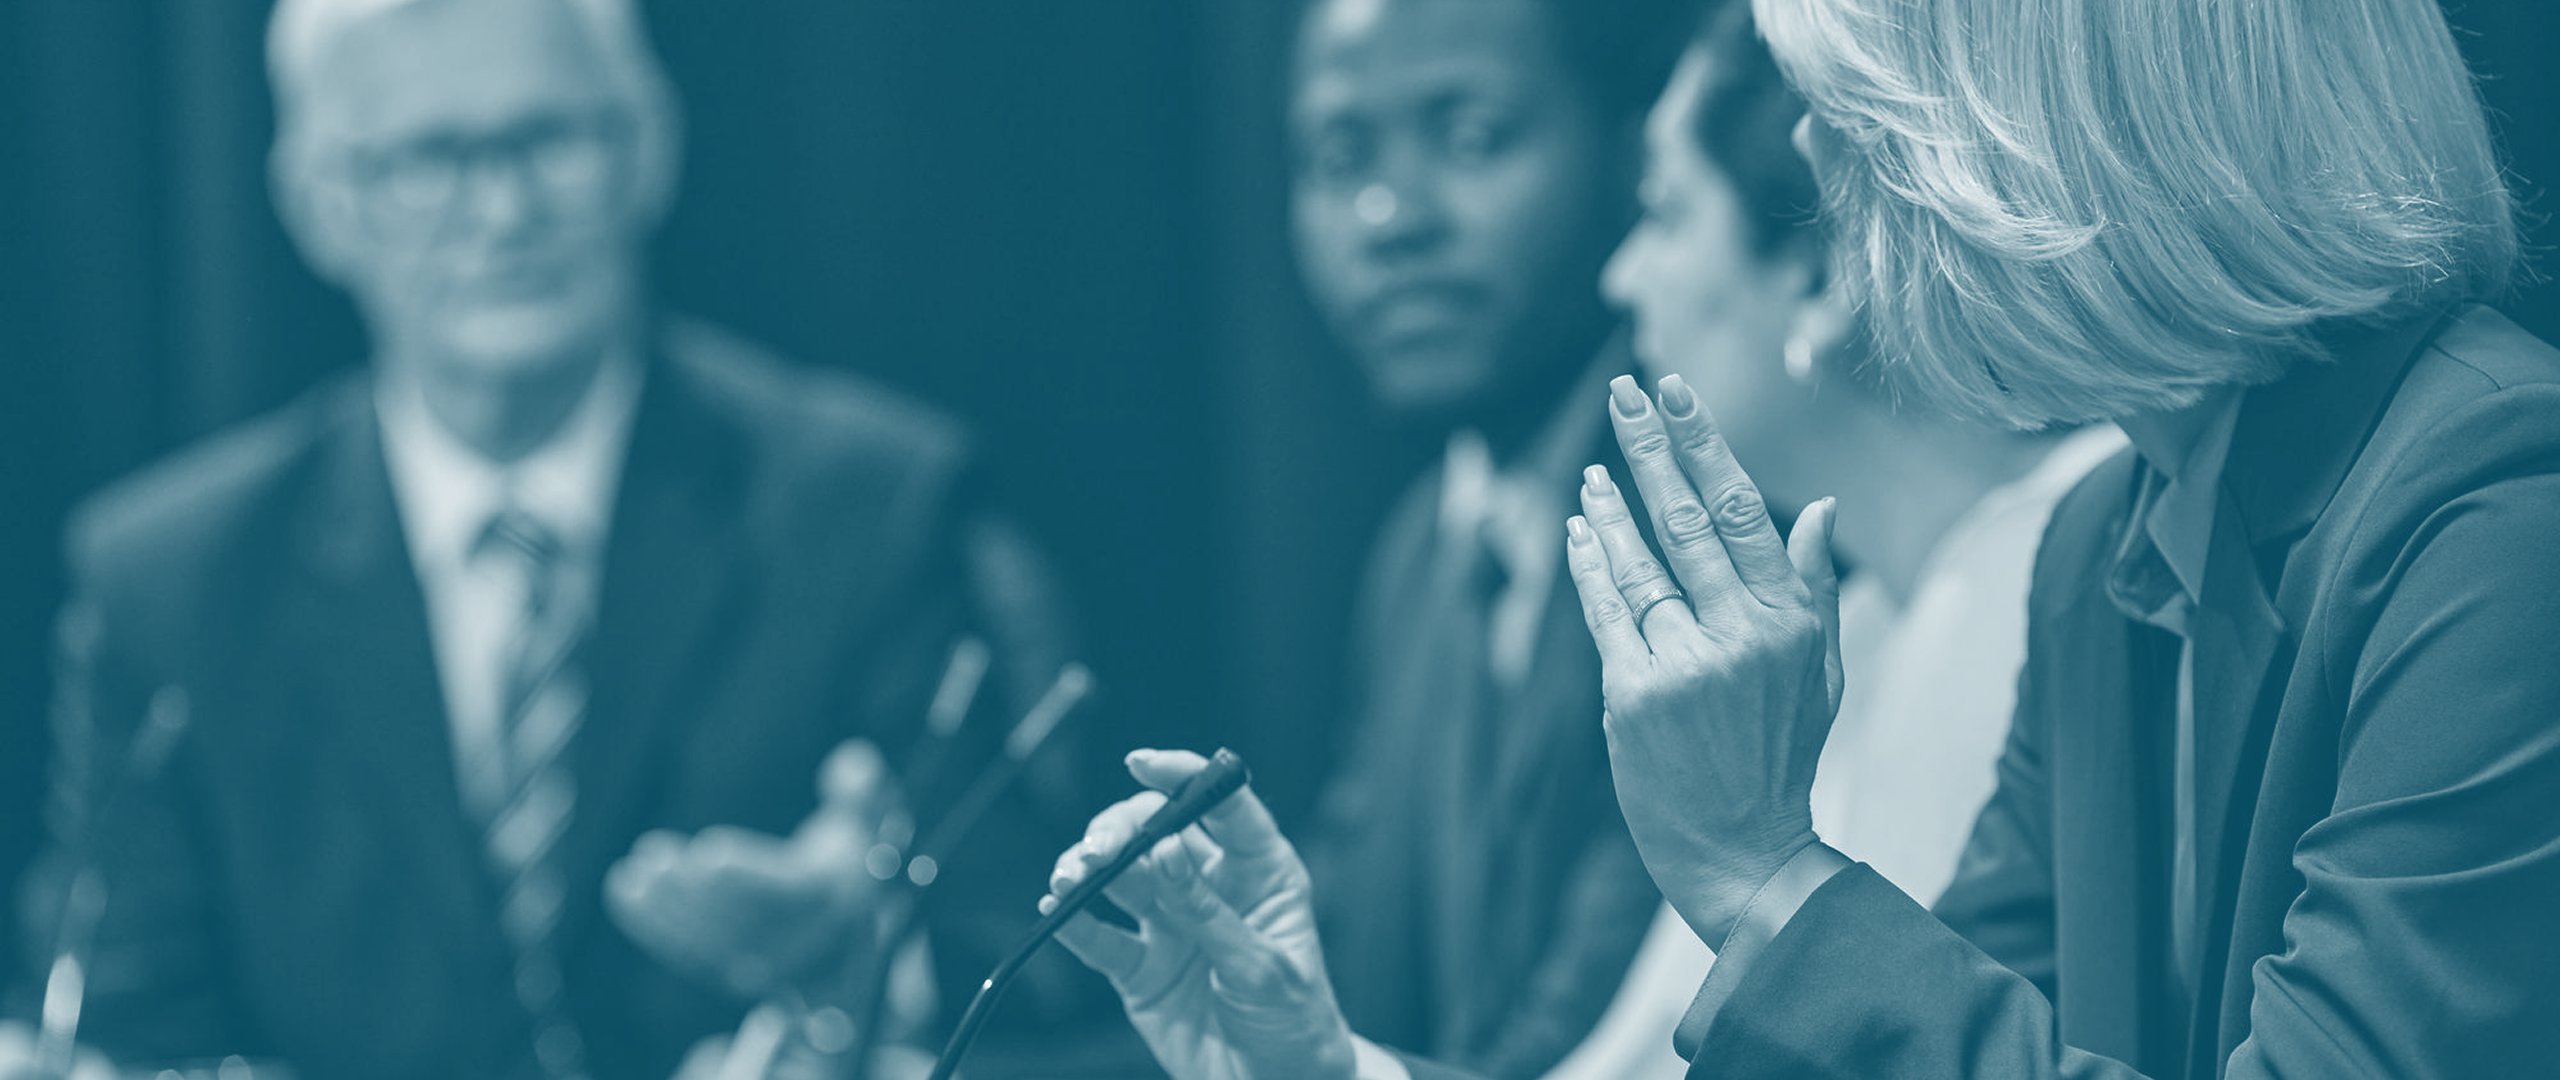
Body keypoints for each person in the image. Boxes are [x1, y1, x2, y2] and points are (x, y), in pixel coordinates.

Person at [1038, 0, 2560, 1076]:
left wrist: (1759, 868)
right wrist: (1321, 1068)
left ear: (2059, 142)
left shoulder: (2501, 507)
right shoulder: (2111, 536)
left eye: (1859, 126)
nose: (1827, 196)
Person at [7, 1, 1086, 1077]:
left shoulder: (871, 505)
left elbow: (1046, 972)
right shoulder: (170, 581)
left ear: (650, 149)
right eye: (430, 158)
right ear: (317, 205)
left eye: (550, 141)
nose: (505, 208)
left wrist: (866, 940)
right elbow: (121, 1019)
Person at [1545, 6, 2123, 1076]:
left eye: (1662, 214)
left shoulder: (2062, 562)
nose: (1619, 278)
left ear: (1817, 269)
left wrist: (1744, 858)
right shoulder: (1854, 619)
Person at [1276, 0, 1691, 1074]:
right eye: (1338, 156)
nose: (1388, 216)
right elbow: (1327, 979)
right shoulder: (1420, 550)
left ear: (1634, 146)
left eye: (1471, 139)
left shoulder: (1712, 513)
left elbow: (1594, 1041)